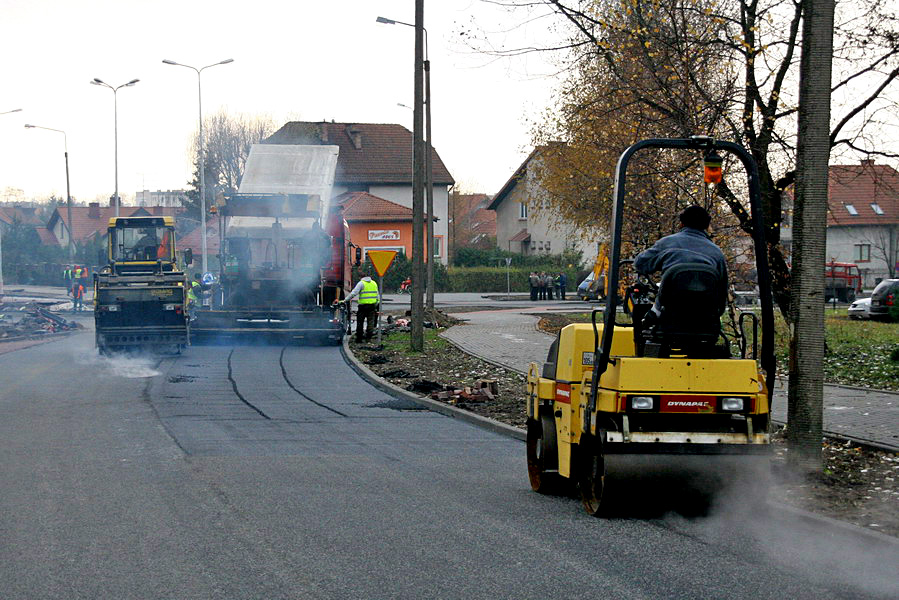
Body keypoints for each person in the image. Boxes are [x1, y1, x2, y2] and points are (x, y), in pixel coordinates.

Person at [634, 205, 727, 318]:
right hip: (704, 318)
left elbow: (640, 264)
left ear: (681, 223)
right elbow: (722, 291)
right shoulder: (716, 252)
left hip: (668, 315)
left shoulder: (666, 243)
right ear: (706, 226)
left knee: (644, 320)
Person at [343, 275, 379, 342]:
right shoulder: (374, 283)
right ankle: (368, 338)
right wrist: (376, 305)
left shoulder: (361, 283)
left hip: (363, 307)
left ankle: (359, 338)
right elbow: (377, 296)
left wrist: (345, 300)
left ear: (361, 277)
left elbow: (353, 293)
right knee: (370, 322)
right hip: (372, 306)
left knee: (360, 322)